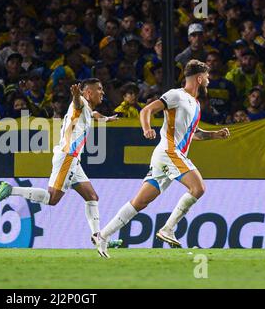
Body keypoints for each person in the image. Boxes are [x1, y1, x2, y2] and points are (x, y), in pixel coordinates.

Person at [93, 60, 230, 258]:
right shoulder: (176, 95)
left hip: (166, 156)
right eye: (207, 77)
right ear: (199, 78)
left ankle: (103, 235)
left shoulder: (197, 105)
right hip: (169, 152)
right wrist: (147, 128)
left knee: (139, 202)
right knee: (198, 188)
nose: (209, 80)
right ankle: (168, 228)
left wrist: (215, 135)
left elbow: (194, 133)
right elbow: (146, 110)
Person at [0, 78, 122, 248]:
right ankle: (10, 190)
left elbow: (94, 115)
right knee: (52, 198)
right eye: (99, 89)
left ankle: (98, 237)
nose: (102, 92)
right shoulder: (81, 102)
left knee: (92, 196)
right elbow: (77, 104)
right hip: (68, 156)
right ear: (88, 93)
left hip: (73, 159)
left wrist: (107, 119)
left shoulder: (87, 109)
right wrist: (76, 96)